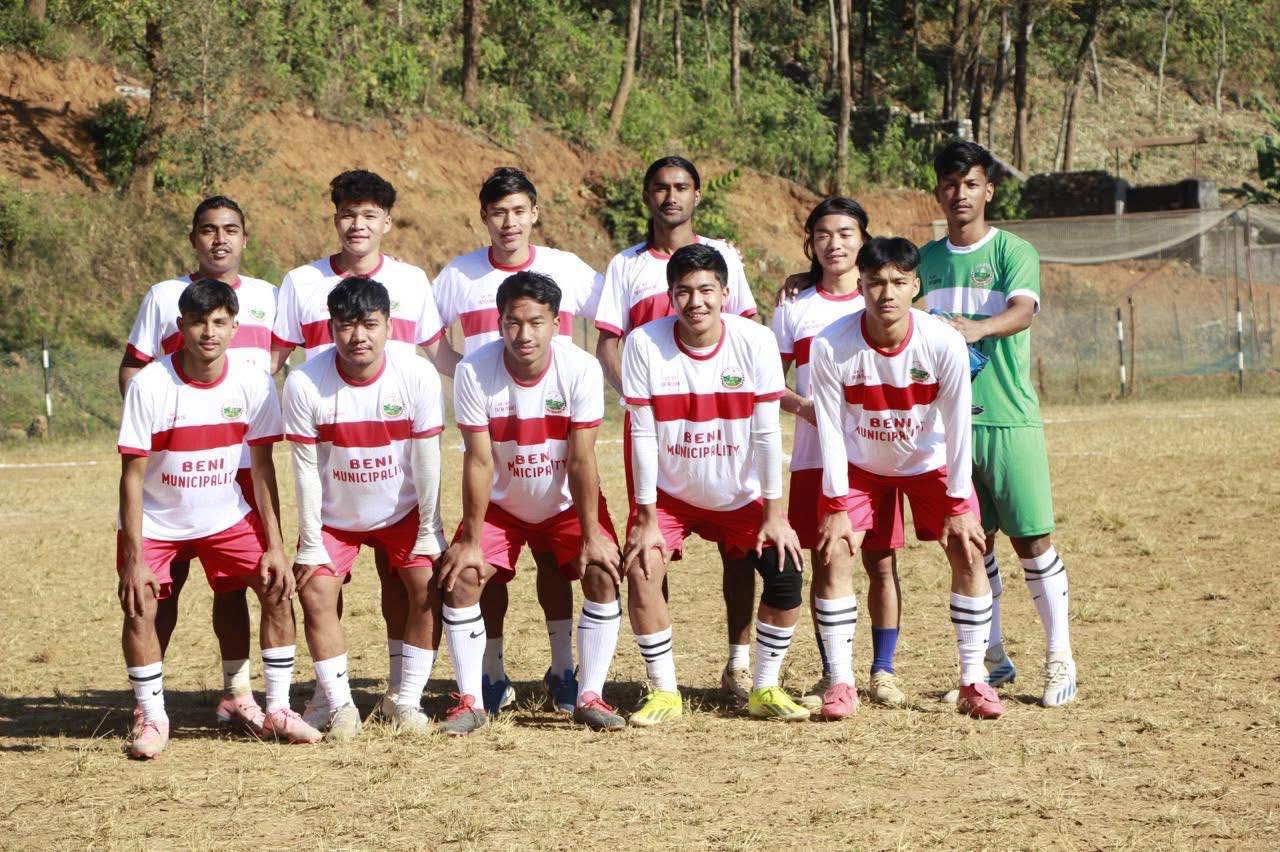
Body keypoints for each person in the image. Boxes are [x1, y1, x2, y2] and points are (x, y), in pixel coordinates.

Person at [271, 169, 447, 727]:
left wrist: (429, 527)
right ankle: (337, 702)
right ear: (330, 328)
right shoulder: (304, 369)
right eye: (346, 326)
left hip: (400, 504)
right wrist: (310, 540)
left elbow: (429, 452)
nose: (359, 335)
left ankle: (405, 699)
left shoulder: (415, 356)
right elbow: (300, 461)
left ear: (390, 325)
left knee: (422, 583)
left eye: (370, 324)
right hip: (336, 508)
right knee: (316, 586)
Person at [117, 279, 319, 759]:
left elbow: (263, 468)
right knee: (141, 605)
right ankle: (152, 716)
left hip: (225, 517)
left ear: (234, 327)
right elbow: (131, 477)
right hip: (158, 522)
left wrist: (275, 546)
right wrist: (135, 558)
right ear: (181, 326)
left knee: (276, 586)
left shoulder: (254, 382)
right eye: (198, 322)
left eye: (219, 322)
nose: (208, 332)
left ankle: (279, 708)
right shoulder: (150, 384)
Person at [431, 167, 605, 715]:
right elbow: (428, 335)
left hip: (553, 471)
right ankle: (485, 680)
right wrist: (473, 380)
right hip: (499, 447)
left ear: (535, 213)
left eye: (518, 210)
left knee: (576, 566)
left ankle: (570, 677)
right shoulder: (459, 277)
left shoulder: (567, 271)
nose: (509, 221)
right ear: (484, 216)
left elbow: (617, 312)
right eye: (498, 211)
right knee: (473, 572)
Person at [809, 237, 1004, 720]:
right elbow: (829, 429)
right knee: (834, 552)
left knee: (968, 549)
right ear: (860, 286)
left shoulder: (943, 342)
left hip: (930, 463)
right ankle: (841, 683)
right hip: (862, 466)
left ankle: (973, 680)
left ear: (916, 286)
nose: (887, 293)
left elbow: (958, 427)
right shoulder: (830, 344)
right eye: (876, 282)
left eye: (898, 282)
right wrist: (836, 505)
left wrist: (958, 505)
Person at [594, 156, 762, 706]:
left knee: (739, 548)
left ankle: (739, 663)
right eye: (662, 187)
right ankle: (660, 676)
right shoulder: (625, 265)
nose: (672, 196)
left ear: (698, 194)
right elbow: (608, 343)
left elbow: (745, 333)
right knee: (650, 540)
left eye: (682, 186)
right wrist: (638, 398)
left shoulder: (724, 256)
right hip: (655, 423)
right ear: (647, 195)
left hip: (721, 417)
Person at [621, 243, 808, 726]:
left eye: (706, 290)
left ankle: (764, 687)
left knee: (786, 570)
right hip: (671, 496)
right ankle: (664, 692)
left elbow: (767, 432)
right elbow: (642, 434)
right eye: (683, 291)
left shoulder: (756, 340)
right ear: (670, 296)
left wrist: (775, 514)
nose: (696, 302)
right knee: (642, 567)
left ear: (725, 294)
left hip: (741, 495)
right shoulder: (642, 343)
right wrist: (645, 517)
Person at [918, 140, 1076, 708]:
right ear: (938, 192)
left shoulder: (1014, 250)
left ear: (988, 189)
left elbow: (1023, 309)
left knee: (1032, 540)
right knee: (971, 543)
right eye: (950, 184)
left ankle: (1060, 657)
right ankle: (993, 659)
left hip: (1008, 417)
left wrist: (976, 329)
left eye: (970, 184)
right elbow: (878, 293)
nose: (959, 194)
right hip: (948, 426)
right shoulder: (924, 259)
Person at [436, 271, 624, 735]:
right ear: (500, 323)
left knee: (602, 570)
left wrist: (592, 535)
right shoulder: (473, 370)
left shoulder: (580, 368)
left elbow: (582, 460)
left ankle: (588, 694)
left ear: (556, 323)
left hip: (564, 504)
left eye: (536, 322)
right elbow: (479, 460)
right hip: (501, 506)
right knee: (462, 577)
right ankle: (473, 699)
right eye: (513, 322)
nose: (524, 334)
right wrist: (471, 541)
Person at [118, 196, 276, 735]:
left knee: (235, 586)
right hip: (175, 463)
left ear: (245, 238)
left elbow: (274, 366)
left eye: (230, 229)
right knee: (162, 587)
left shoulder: (268, 296)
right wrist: (159, 432)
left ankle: (238, 693)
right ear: (193, 238)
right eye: (208, 230)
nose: (219, 239)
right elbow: (133, 366)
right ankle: (149, 704)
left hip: (240, 464)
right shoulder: (165, 295)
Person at [770, 197, 907, 709]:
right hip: (815, 457)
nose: (835, 243)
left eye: (846, 233)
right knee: (827, 561)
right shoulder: (794, 305)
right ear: (810, 243)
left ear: (864, 239)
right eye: (823, 234)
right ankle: (835, 672)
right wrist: (804, 407)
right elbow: (769, 381)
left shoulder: (880, 295)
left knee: (882, 562)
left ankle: (884, 670)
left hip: (877, 453)